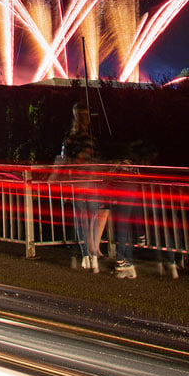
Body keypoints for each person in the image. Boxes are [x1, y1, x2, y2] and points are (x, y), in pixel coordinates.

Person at [59, 102, 108, 272]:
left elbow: (66, 162)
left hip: (85, 182)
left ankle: (88, 255)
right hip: (85, 183)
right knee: (88, 218)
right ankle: (89, 255)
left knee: (85, 219)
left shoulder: (77, 138)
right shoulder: (81, 139)